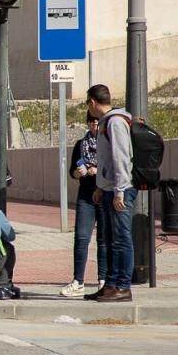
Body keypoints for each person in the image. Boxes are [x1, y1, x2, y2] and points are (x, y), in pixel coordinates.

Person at [86, 84, 136, 303]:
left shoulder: (115, 122)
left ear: (93, 102)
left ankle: (123, 286)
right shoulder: (108, 122)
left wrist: (119, 191)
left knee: (122, 239)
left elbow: (121, 158)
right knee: (110, 240)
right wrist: (100, 186)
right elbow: (107, 160)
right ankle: (110, 284)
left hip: (120, 190)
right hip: (109, 189)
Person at [60, 112, 107, 298]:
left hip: (104, 193)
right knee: (81, 237)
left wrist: (96, 170)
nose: (94, 126)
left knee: (103, 239)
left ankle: (103, 280)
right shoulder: (81, 145)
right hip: (86, 195)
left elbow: (112, 166)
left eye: (97, 122)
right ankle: (78, 281)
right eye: (91, 122)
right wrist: (78, 173)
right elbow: (72, 170)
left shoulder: (107, 143)